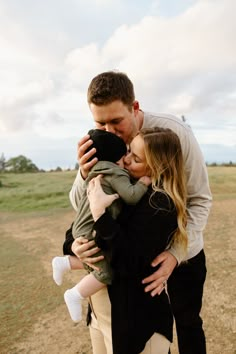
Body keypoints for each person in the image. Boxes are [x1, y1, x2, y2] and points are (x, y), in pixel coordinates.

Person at [70, 71, 212, 354]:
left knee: (187, 321)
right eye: (100, 122)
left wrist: (175, 254)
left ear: (134, 109)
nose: (109, 131)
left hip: (181, 247)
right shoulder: (101, 142)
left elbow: (200, 199)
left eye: (116, 121)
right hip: (132, 249)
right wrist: (85, 173)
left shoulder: (175, 134)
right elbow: (82, 204)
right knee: (148, 323)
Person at [87, 127, 188, 354]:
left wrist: (100, 216)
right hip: (100, 312)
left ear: (157, 167)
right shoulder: (124, 185)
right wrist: (71, 245)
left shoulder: (159, 203)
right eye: (129, 151)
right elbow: (81, 223)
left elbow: (128, 261)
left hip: (136, 324)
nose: (126, 159)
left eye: (136, 158)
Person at [52, 129, 150, 323]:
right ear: (117, 160)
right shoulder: (115, 173)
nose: (126, 162)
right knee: (105, 272)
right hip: (92, 229)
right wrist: (144, 183)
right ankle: (75, 294)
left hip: (80, 227)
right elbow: (131, 196)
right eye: (124, 157)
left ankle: (64, 263)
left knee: (98, 257)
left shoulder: (95, 173)